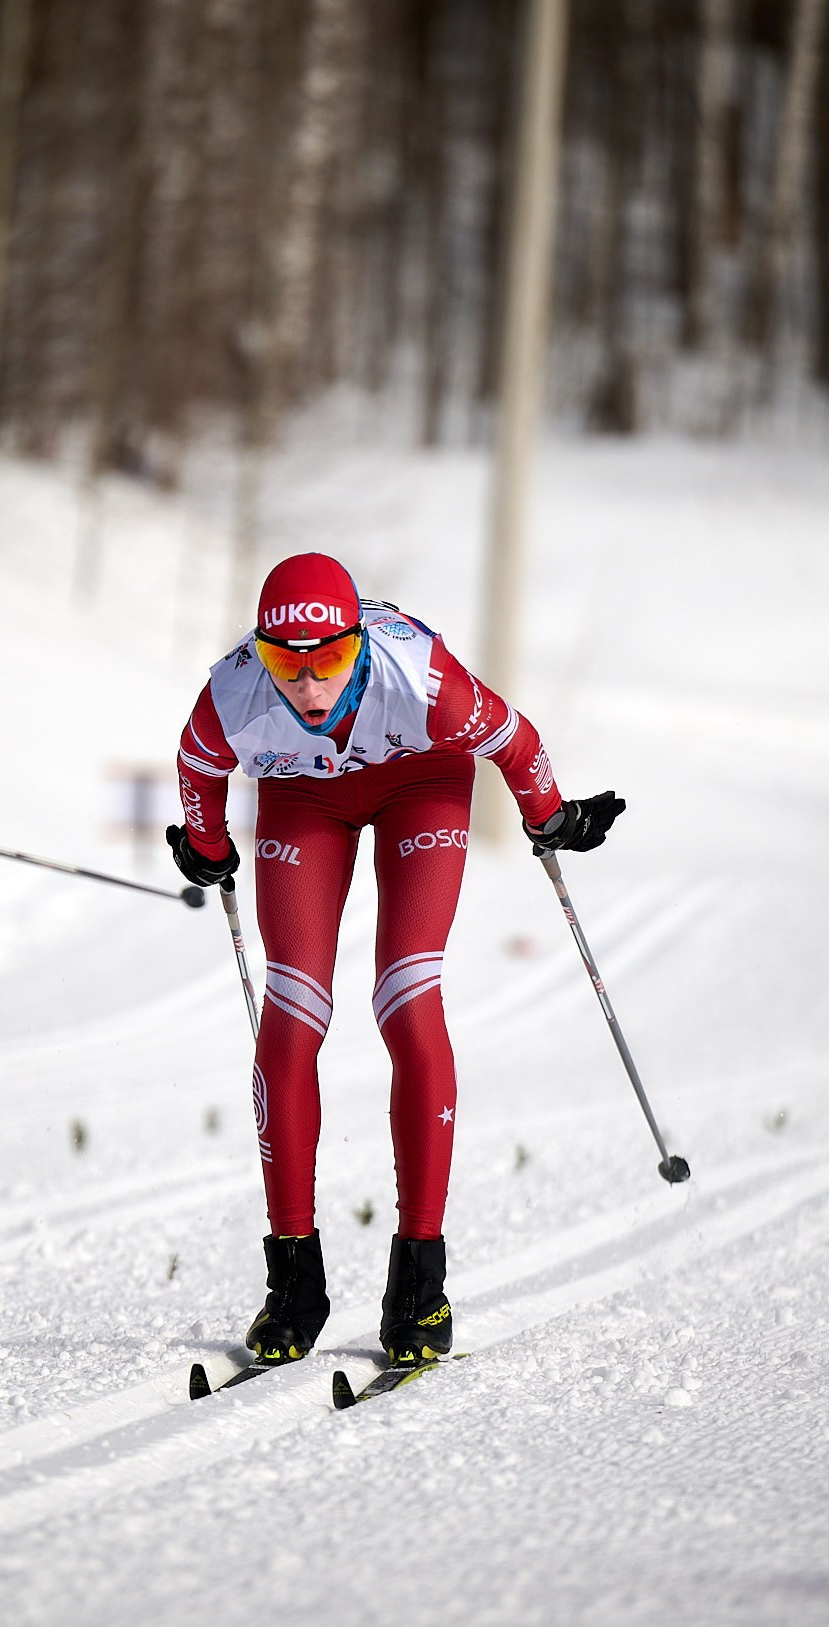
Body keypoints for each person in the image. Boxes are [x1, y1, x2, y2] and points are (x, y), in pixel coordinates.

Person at [164, 553, 622, 1369]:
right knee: (292, 1015)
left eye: (330, 660)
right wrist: (205, 847)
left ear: (359, 645)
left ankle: (419, 1285)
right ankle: (293, 1283)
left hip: (421, 782)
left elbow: (515, 740)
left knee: (406, 999)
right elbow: (197, 766)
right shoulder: (232, 691)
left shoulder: (422, 679)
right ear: (259, 651)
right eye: (285, 664)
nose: (307, 686)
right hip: (304, 797)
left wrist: (553, 816)